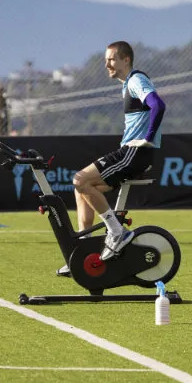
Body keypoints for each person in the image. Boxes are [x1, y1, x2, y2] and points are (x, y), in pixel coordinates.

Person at [62, 40, 166, 271]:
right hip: (131, 151)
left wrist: (147, 137)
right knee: (83, 190)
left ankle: (117, 232)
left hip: (135, 152)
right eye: (106, 60)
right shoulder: (127, 84)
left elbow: (158, 104)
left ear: (125, 60)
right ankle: (83, 250)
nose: (107, 64)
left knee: (80, 180)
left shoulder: (137, 80)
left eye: (111, 59)